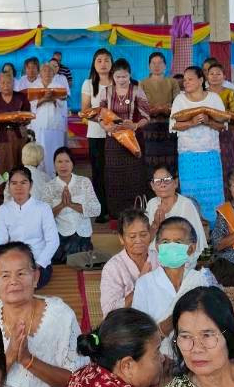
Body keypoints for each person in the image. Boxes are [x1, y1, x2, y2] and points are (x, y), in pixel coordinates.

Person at [0, 241, 86, 387]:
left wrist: (27, 360)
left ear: (36, 277)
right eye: (5, 275)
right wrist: (10, 356)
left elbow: (77, 381)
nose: (13, 281)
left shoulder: (60, 315)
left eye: (21, 273)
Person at [133, 216, 213, 355]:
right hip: (158, 359)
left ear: (191, 248)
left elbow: (212, 324)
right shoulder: (144, 284)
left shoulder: (200, 280)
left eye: (178, 242)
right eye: (165, 242)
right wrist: (174, 319)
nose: (171, 246)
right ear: (157, 247)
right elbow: (139, 334)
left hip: (198, 354)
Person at [0, 169, 60, 290]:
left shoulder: (43, 208)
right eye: (14, 183)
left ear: (31, 185)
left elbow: (53, 241)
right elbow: (0, 242)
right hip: (11, 263)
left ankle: (7, 286)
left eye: (23, 182)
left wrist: (38, 264)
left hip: (37, 263)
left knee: (26, 279)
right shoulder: (4, 210)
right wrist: (3, 264)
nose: (18, 187)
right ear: (9, 186)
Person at [171, 64, 227, 223]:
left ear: (201, 80)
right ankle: (193, 229)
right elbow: (174, 125)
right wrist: (192, 122)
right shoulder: (180, 99)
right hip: (187, 155)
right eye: (185, 80)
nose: (186, 82)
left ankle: (216, 228)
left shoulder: (214, 98)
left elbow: (223, 125)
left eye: (190, 79)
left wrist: (208, 121)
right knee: (190, 193)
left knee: (213, 193)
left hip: (210, 154)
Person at [103, 59, 150, 217]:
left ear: (130, 75)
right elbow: (100, 115)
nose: (121, 80)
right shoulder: (106, 92)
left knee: (134, 177)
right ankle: (116, 216)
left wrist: (135, 125)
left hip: (132, 141)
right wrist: (106, 127)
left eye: (124, 76)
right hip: (113, 142)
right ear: (112, 76)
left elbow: (146, 116)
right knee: (114, 178)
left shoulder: (137, 90)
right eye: (118, 77)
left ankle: (136, 214)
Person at [38, 145, 99, 264]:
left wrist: (71, 204)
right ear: (54, 165)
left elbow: (96, 209)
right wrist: (61, 205)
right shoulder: (49, 187)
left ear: (72, 164)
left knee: (77, 256)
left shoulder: (84, 182)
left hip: (82, 234)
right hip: (60, 235)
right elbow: (44, 216)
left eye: (67, 161)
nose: (63, 165)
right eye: (59, 162)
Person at [101, 210, 159, 317]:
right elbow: (110, 313)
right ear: (121, 239)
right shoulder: (113, 268)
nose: (138, 240)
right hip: (127, 323)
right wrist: (140, 285)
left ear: (150, 235)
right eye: (132, 236)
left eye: (143, 234)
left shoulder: (159, 259)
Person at [145, 165, 208, 259]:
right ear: (152, 186)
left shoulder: (186, 205)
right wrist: (155, 225)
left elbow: (195, 240)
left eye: (167, 180)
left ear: (175, 183)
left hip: (181, 258)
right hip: (154, 258)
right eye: (158, 181)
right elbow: (145, 239)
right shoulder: (151, 204)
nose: (162, 184)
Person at [80, 48, 115, 209]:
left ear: (112, 63)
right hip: (96, 134)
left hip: (116, 134)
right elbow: (85, 110)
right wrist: (101, 121)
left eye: (107, 60)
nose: (103, 64)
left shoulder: (118, 82)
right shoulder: (88, 84)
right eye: (99, 60)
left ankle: (115, 206)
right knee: (98, 171)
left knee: (114, 170)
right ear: (94, 64)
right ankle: (101, 208)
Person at [22, 56, 70, 163]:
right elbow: (30, 106)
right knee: (39, 151)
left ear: (53, 73)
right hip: (39, 124)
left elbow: (62, 103)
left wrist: (53, 98)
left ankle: (54, 172)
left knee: (55, 150)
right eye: (44, 70)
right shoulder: (34, 87)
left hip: (55, 124)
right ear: (40, 73)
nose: (47, 73)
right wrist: (43, 99)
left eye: (50, 71)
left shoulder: (59, 86)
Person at [0, 67, 31, 176]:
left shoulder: (21, 97)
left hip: (19, 136)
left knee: (20, 165)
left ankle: (20, 186)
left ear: (13, 83)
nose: (6, 85)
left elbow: (28, 117)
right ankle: (2, 187)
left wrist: (20, 120)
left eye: (8, 82)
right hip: (0, 138)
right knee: (2, 166)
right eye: (3, 83)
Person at [138, 52, 177, 177]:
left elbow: (178, 104)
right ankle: (152, 186)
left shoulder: (173, 82)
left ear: (165, 65)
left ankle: (171, 185)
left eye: (160, 63)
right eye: (153, 63)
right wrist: (154, 110)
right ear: (149, 66)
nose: (157, 66)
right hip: (150, 129)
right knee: (151, 162)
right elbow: (141, 107)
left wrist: (166, 109)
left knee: (170, 162)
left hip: (169, 128)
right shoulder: (142, 83)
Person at [204, 59, 234, 179]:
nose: (214, 76)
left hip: (225, 131)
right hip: (206, 132)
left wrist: (221, 116)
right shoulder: (202, 93)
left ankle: (228, 187)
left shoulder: (229, 93)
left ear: (224, 76)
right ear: (207, 76)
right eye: (211, 74)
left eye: (218, 74)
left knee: (227, 161)